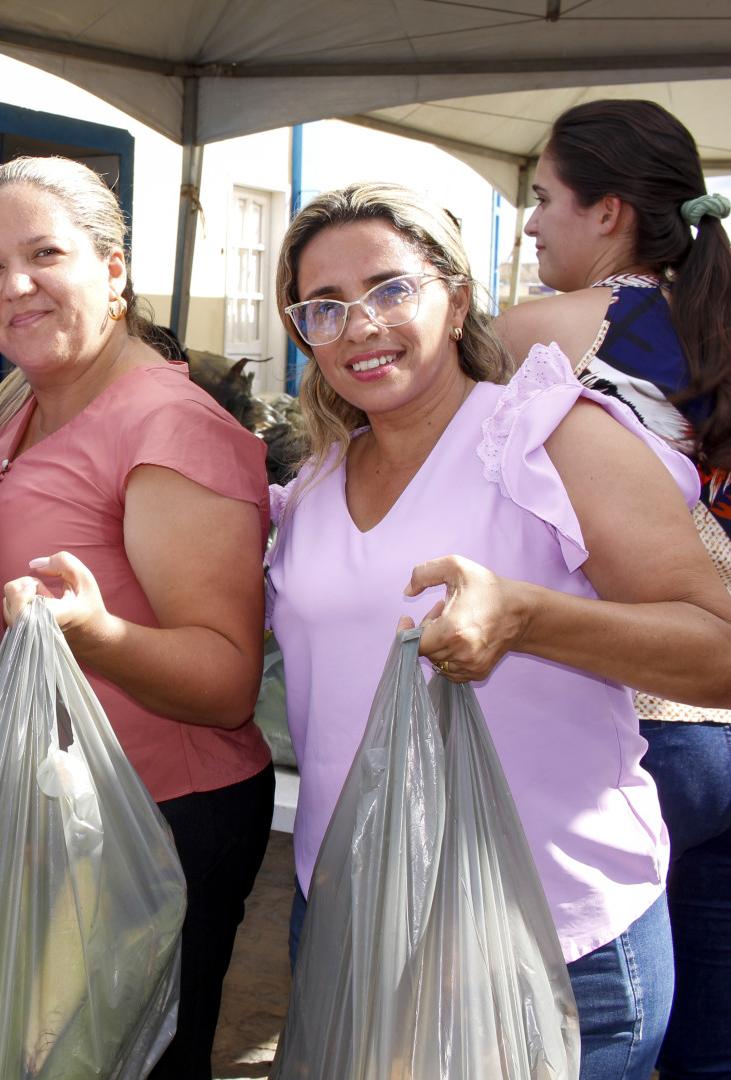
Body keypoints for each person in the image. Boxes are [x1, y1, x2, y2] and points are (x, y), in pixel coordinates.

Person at [266, 181, 731, 1080]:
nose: (361, 326)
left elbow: (717, 649)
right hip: (354, 923)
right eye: (325, 306)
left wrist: (529, 616)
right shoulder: (316, 484)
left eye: (391, 289)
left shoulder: (549, 435)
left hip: (550, 941)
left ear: (457, 299)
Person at [0, 156, 274, 1080]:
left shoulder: (170, 425)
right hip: (43, 810)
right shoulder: (21, 413)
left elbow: (225, 680)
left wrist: (95, 634)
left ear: (115, 269)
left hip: (149, 818)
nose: (16, 285)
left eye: (45, 254)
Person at [494, 99, 731, 1080]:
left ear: (609, 211)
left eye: (545, 197)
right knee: (712, 1050)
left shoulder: (545, 331)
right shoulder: (713, 317)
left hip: (642, 721)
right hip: (721, 722)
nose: (530, 222)